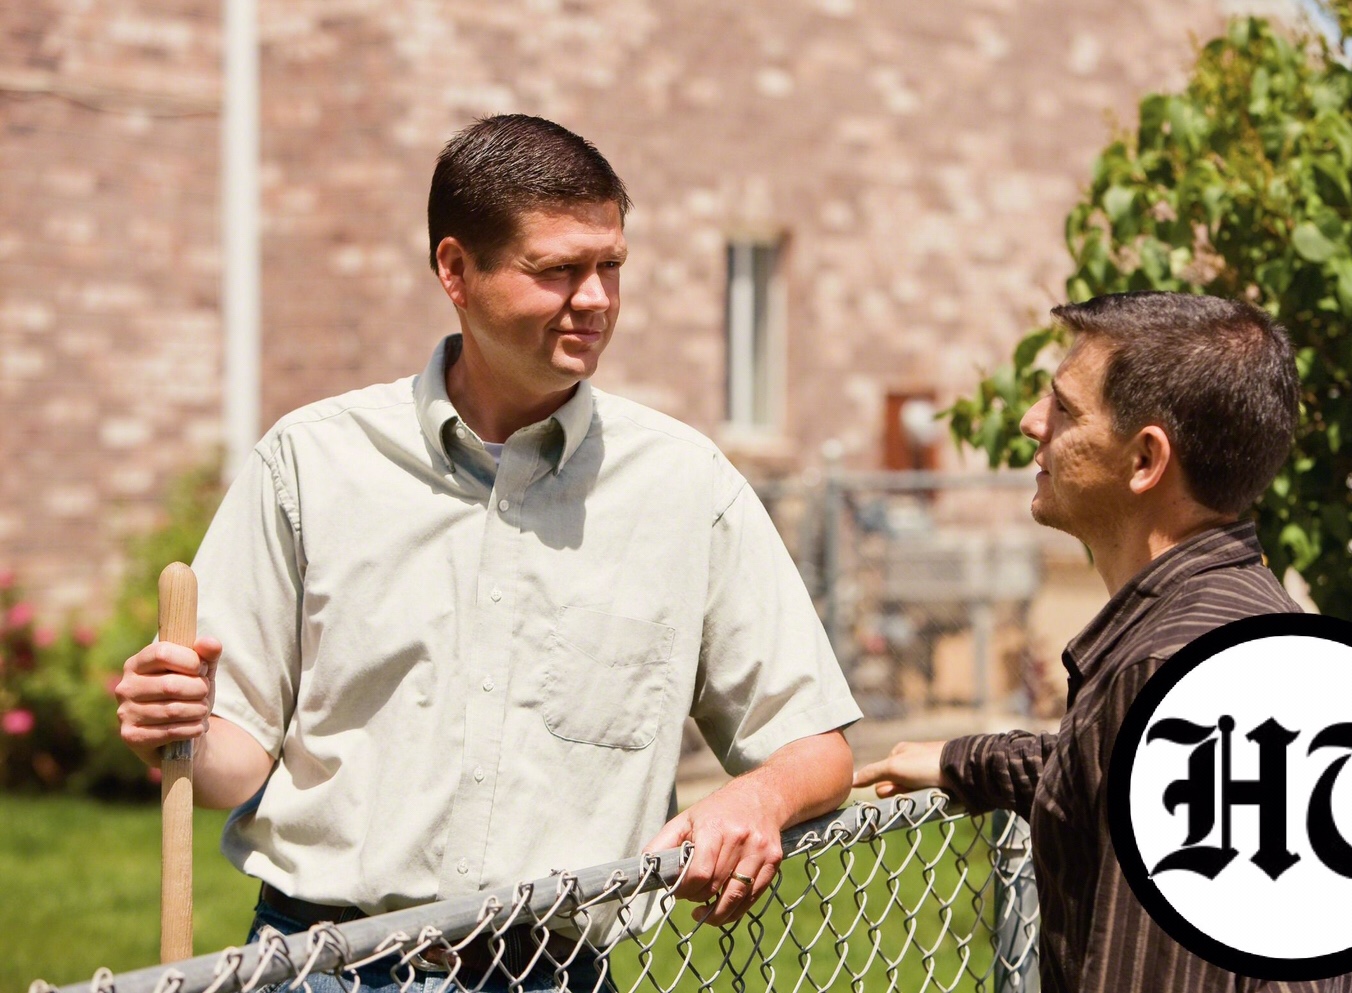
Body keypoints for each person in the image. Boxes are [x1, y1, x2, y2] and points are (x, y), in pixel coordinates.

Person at [114, 114, 862, 992]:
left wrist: (757, 795)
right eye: (558, 270)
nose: (596, 298)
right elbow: (232, 760)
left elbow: (818, 744)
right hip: (322, 966)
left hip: (550, 971)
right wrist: (179, 726)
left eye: (611, 265)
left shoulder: (687, 488)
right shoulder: (311, 464)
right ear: (456, 270)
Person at [854, 292, 1352, 993]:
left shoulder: (1168, 676)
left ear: (1145, 458)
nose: (1032, 421)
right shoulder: (1250, 616)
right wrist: (962, 759)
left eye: (1065, 408)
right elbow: (1112, 775)